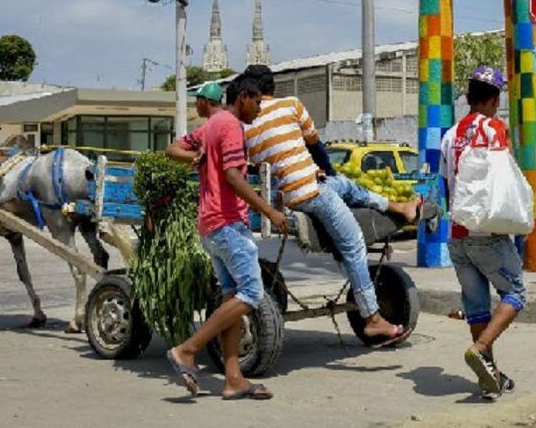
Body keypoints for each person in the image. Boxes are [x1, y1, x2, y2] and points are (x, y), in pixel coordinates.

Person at [240, 64, 422, 346]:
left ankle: (397, 206)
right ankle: (372, 318)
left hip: (289, 193)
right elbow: (316, 147)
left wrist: (328, 180)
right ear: (272, 88)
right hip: (310, 191)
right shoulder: (291, 105)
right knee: (354, 245)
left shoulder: (245, 125)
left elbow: (255, 167)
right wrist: (324, 174)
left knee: (346, 186)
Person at [164, 75, 288, 399]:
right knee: (251, 294)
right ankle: (187, 350)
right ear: (243, 97)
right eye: (258, 102)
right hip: (228, 224)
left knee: (233, 296)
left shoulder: (211, 125)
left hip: (210, 225)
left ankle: (233, 379)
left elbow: (171, 149)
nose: (259, 109)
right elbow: (233, 176)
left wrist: (194, 158)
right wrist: (270, 212)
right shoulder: (231, 125)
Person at [438, 65, 526, 400]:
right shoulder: (494, 128)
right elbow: (504, 177)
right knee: (516, 293)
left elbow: (447, 185)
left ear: (468, 96)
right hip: (487, 233)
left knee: (476, 307)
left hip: (457, 235)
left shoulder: (450, 135)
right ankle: (481, 347)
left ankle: (492, 378)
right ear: (494, 99)